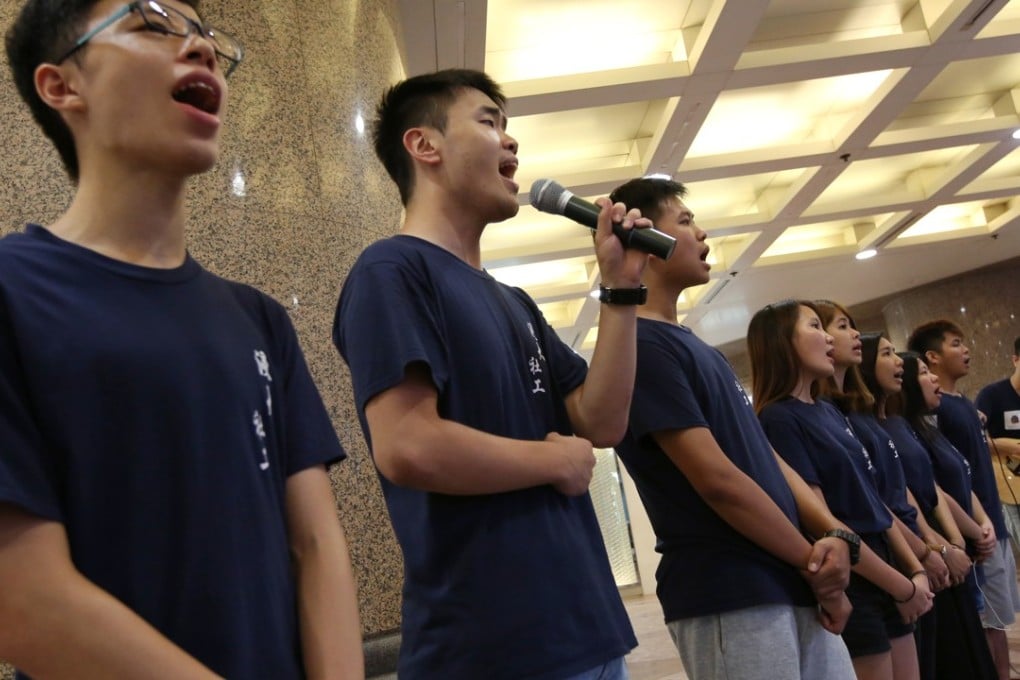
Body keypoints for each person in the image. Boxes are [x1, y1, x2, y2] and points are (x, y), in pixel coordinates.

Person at [0, 1, 363, 678]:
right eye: (152, 24)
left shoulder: (259, 321)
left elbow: (315, 543)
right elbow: (21, 600)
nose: (199, 48)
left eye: (206, 36)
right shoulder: (11, 292)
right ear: (61, 86)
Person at [332, 68, 645, 679]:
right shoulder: (390, 270)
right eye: (488, 121)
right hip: (491, 648)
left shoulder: (515, 301)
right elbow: (408, 445)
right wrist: (553, 461)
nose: (511, 142)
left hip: (588, 631)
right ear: (425, 146)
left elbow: (602, 421)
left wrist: (621, 289)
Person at [607, 178, 855, 680]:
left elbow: (764, 457)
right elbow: (717, 480)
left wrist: (830, 534)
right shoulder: (643, 346)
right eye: (685, 222)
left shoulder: (693, 346)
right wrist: (814, 562)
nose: (702, 233)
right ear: (646, 240)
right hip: (731, 588)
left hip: (784, 575)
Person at [749, 299, 933, 680]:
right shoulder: (779, 418)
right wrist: (900, 584)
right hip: (857, 578)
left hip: (886, 565)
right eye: (815, 327)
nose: (829, 338)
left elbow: (876, 506)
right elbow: (824, 523)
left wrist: (914, 570)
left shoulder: (829, 410)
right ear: (782, 342)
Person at [908, 320, 1020, 680]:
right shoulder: (934, 414)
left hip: (988, 524)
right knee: (986, 622)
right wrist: (968, 532)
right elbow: (938, 484)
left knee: (998, 620)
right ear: (932, 358)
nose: (966, 350)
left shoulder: (960, 403)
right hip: (973, 534)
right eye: (956, 344)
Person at [884, 349, 997, 680]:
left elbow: (933, 492)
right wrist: (938, 548)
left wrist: (964, 537)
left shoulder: (911, 427)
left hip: (946, 550)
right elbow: (897, 501)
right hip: (928, 556)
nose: (932, 377)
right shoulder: (888, 428)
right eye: (921, 372)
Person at [975, 336, 1020, 546]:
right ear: (1015, 360)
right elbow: (974, 435)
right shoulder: (992, 394)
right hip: (1007, 474)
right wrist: (1008, 445)